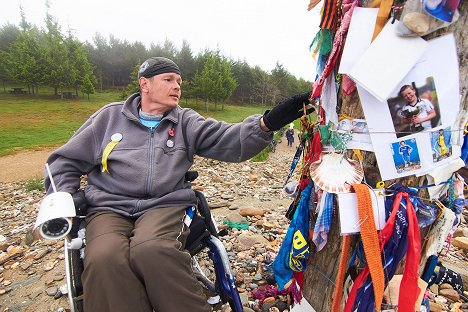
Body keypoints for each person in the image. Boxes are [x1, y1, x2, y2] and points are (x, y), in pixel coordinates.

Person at [44, 57, 312, 312]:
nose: (177, 87)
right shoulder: (108, 118)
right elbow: (63, 162)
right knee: (104, 258)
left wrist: (267, 123)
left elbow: (227, 139)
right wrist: (63, 197)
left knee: (152, 249)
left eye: (180, 82)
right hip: (108, 206)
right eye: (169, 79)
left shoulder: (185, 121)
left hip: (164, 204)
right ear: (144, 84)